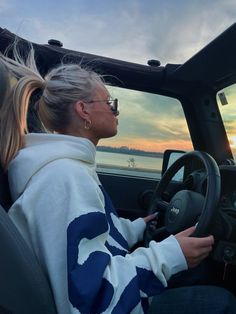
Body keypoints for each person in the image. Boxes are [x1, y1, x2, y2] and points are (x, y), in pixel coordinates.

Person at [0, 48, 235, 314]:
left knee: (198, 273)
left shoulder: (68, 169)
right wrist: (169, 255)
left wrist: (134, 228)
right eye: (110, 103)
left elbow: (89, 241)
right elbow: (92, 298)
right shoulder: (65, 178)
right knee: (222, 302)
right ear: (83, 110)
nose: (115, 111)